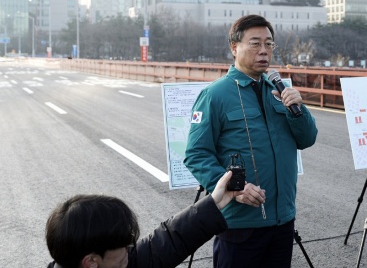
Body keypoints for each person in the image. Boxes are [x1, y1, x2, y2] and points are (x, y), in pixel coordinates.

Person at [184, 14, 318, 268]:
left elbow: (307, 139)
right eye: (255, 43)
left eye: (269, 44)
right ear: (234, 48)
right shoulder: (215, 95)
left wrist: (298, 109)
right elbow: (197, 154)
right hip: (240, 223)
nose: (264, 51)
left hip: (282, 220)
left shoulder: (279, 92)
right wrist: (234, 188)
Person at [45, 170, 241, 268]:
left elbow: (165, 242)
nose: (129, 249)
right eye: (123, 244)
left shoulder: (117, 263)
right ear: (91, 262)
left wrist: (214, 202)